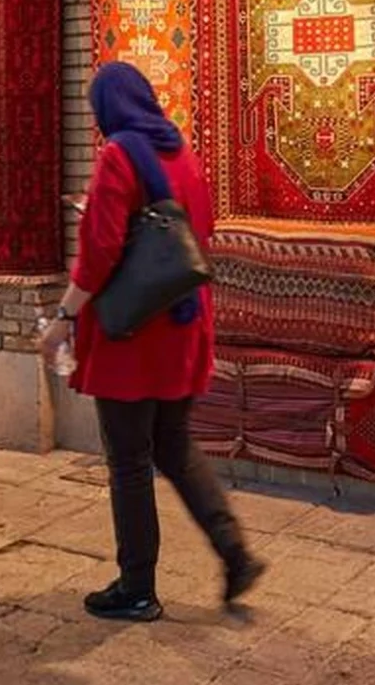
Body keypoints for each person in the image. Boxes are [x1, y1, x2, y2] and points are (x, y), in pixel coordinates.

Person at [38, 62, 262, 621]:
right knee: (175, 448)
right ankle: (234, 551)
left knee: (130, 463)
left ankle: (136, 587)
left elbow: (100, 252)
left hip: (132, 338)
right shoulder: (180, 152)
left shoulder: (118, 157)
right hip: (182, 325)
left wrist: (63, 316)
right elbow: (198, 229)